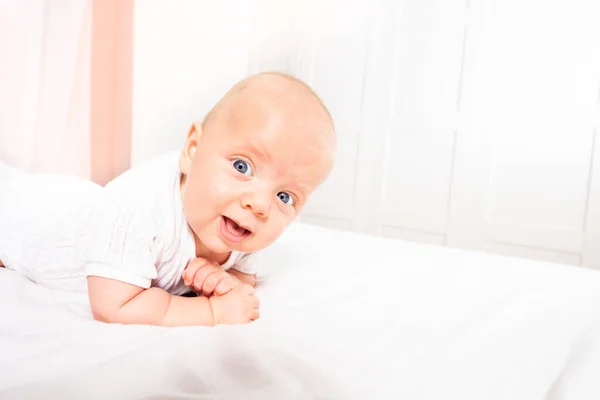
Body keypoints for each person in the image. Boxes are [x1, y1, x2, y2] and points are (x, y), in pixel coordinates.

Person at [0, 72, 336, 327]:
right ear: (192, 150)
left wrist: (221, 281)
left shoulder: (245, 225)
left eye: (284, 196)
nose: (261, 205)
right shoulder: (141, 206)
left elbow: (244, 276)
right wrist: (209, 311)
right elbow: (112, 305)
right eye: (242, 166)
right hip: (41, 226)